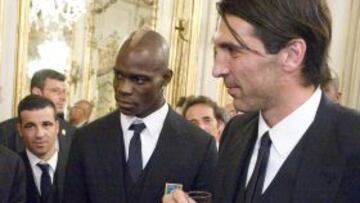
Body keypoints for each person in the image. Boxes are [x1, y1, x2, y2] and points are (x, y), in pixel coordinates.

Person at [163, 0, 360, 202]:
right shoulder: (236, 132)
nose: (217, 69)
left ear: (292, 55)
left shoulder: (353, 144)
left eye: (233, 51)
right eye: (217, 52)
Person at [63, 29, 217, 203]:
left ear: (166, 78)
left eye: (139, 80)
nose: (123, 88)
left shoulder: (199, 146)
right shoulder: (87, 139)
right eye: (119, 76)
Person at [0, 69, 76, 153]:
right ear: (37, 92)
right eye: (55, 91)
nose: (63, 98)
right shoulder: (5, 132)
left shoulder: (72, 133)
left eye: (64, 92)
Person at [16, 95, 73, 203]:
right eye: (30, 126)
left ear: (57, 127)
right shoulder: (8, 169)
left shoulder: (75, 166)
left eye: (46, 124)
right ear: (19, 129)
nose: (39, 134)